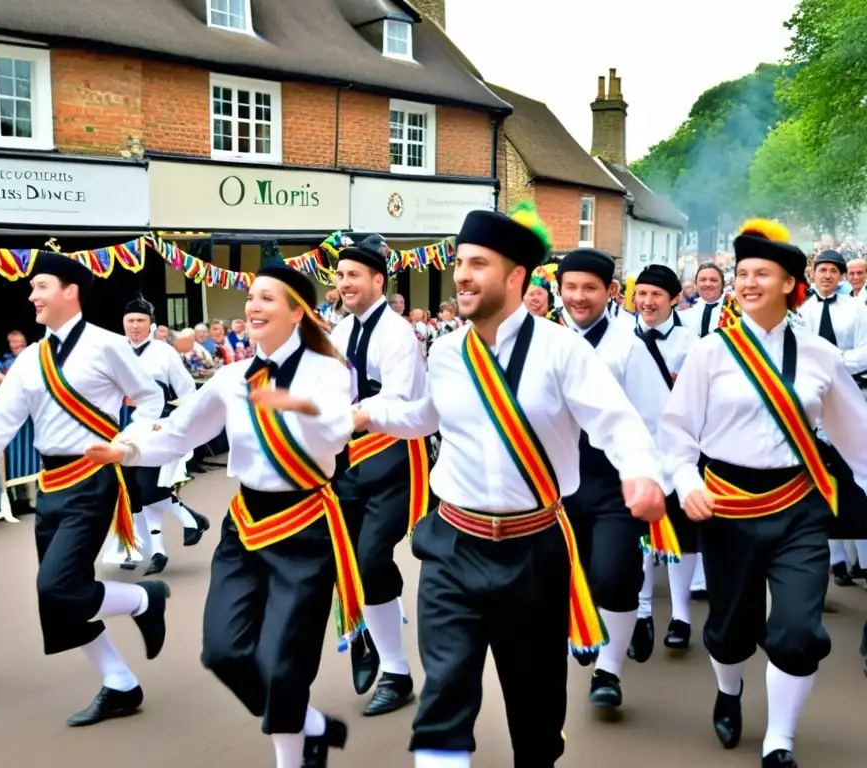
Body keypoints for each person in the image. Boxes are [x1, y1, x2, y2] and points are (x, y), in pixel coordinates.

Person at [353, 204, 667, 768]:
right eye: (460, 262)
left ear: (516, 276)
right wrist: (366, 416)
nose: (462, 275)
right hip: (452, 547)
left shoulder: (563, 351)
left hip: (534, 550)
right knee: (443, 701)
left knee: (536, 713)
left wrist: (641, 474)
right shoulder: (447, 351)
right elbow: (426, 416)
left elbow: (619, 424)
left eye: (478, 263)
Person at [86, 260, 361, 768]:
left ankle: (293, 754)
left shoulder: (328, 371)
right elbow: (178, 434)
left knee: (284, 663)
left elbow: (337, 429)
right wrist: (125, 451)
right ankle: (312, 725)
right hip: (247, 527)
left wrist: (296, 405)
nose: (254, 307)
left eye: (268, 299)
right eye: (251, 298)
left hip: (305, 526)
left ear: (297, 312)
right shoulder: (233, 378)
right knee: (223, 651)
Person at [0, 252, 170, 727]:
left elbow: (151, 398)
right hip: (51, 484)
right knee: (57, 602)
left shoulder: (107, 345)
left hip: (95, 479)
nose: (31, 295)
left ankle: (142, 601)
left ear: (70, 291)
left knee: (56, 585)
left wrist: (126, 443)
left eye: (41, 287)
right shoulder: (31, 359)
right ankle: (120, 683)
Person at [659, 220, 867, 768]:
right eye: (742, 273)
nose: (747, 282)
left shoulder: (820, 354)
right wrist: (687, 481)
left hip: (798, 506)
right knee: (729, 632)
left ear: (789, 282)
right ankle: (729, 692)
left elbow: (857, 437)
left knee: (799, 632)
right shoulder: (710, 352)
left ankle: (780, 740)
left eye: (761, 274)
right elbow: (676, 432)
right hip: (726, 504)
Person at [549, 248, 675, 709]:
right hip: (556, 480)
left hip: (612, 478)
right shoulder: (544, 340)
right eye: (571, 287)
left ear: (609, 292)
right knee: (565, 574)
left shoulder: (627, 346)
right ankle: (590, 632)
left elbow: (656, 418)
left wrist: (653, 480)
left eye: (590, 288)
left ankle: (610, 670)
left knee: (613, 575)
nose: (578, 297)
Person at [329, 233, 429, 716]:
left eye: (354, 275)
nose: (344, 283)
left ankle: (395, 670)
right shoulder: (337, 333)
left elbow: (397, 400)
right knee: (345, 560)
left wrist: (349, 414)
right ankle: (369, 636)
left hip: (393, 459)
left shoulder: (398, 333)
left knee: (371, 559)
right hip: (346, 462)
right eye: (340, 275)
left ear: (377, 279)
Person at [626, 265, 701, 659]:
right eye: (641, 293)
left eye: (656, 294)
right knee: (637, 530)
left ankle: (682, 615)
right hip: (635, 451)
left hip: (678, 451)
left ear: (674, 298)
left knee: (680, 534)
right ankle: (641, 610)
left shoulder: (693, 343)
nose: (647, 302)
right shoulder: (622, 338)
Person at [119, 295, 206, 576]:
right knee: (132, 492)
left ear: (151, 325)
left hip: (159, 427)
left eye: (141, 321)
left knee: (149, 487)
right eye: (130, 320)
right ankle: (154, 550)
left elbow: (187, 390)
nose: (135, 326)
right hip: (129, 429)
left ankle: (189, 520)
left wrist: (178, 424)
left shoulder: (164, 352)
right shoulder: (115, 351)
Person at [797, 250, 867, 584]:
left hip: (850, 395)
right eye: (822, 270)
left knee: (856, 471)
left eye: (833, 271)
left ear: (841, 277)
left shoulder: (857, 309)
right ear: (812, 274)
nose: (827, 275)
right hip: (811, 400)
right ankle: (834, 559)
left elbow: (866, 351)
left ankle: (863, 560)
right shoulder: (801, 312)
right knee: (817, 475)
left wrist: (835, 361)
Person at [680, 262, 726, 337]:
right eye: (703, 280)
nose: (707, 284)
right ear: (696, 284)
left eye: (713, 280)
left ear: (722, 284)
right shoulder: (687, 312)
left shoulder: (735, 309)